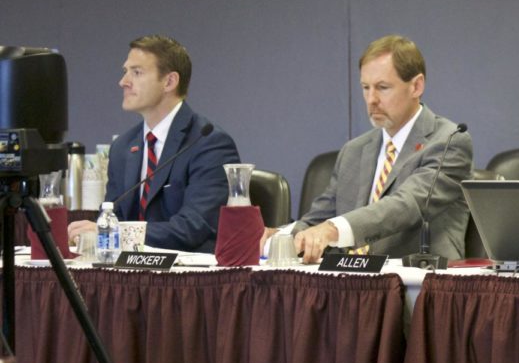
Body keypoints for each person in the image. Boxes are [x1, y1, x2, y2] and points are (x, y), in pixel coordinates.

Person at [272, 35, 473, 264]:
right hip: (355, 285)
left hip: (421, 284)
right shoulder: (354, 150)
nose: (371, 99)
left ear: (416, 86)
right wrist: (278, 238)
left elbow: (407, 205)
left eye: (382, 88)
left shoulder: (448, 141)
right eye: (365, 88)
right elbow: (319, 219)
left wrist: (331, 230)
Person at [68, 35, 240, 253]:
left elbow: (193, 228)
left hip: (187, 278)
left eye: (136, 72)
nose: (123, 82)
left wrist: (116, 233)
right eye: (125, 71)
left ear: (169, 82)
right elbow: (114, 215)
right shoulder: (123, 147)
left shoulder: (208, 142)